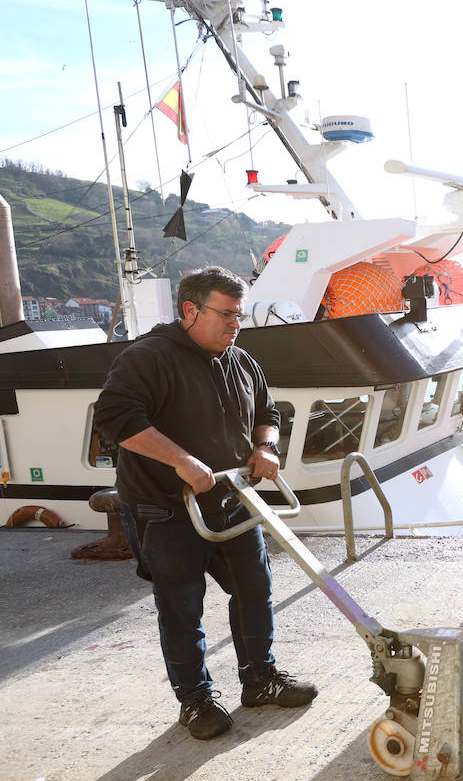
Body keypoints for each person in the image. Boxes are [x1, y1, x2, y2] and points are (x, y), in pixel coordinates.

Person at [92, 266, 317, 740]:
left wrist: (266, 446)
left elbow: (267, 412)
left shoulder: (240, 359)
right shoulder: (148, 358)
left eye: (241, 314)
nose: (237, 323)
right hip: (167, 508)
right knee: (181, 607)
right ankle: (195, 701)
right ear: (190, 311)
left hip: (232, 500)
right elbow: (115, 418)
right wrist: (181, 461)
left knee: (253, 589)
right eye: (228, 314)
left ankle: (260, 680)